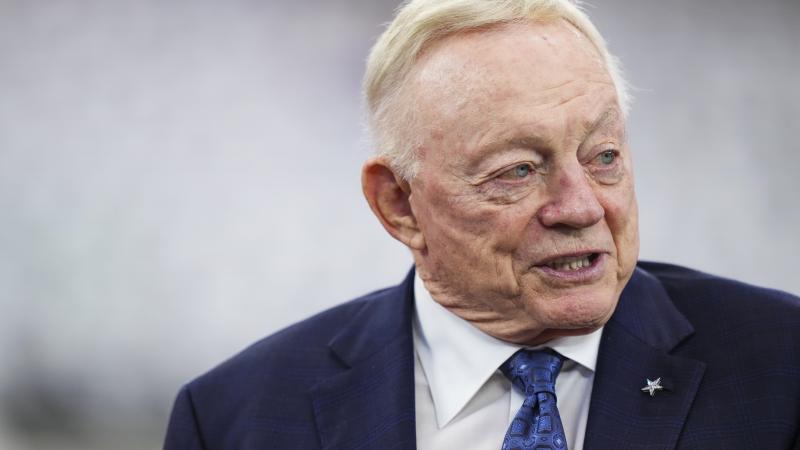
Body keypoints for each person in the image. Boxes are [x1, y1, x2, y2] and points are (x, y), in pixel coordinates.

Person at [163, 0, 800, 448]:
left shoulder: (782, 366)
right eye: (518, 170)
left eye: (603, 157)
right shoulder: (232, 420)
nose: (581, 208)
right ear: (399, 206)